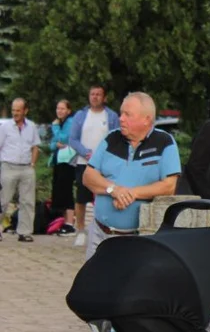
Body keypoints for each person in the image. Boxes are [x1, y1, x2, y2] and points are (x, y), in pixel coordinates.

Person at [81, 93, 181, 258]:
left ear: (146, 120)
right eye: (121, 113)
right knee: (93, 283)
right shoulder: (111, 138)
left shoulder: (164, 142)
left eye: (128, 114)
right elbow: (88, 176)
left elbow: (169, 186)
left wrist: (132, 194)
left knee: (127, 283)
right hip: (99, 234)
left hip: (137, 238)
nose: (121, 118)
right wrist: (114, 190)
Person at [69, 85, 120, 248]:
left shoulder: (111, 116)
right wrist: (86, 153)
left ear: (104, 97)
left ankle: (103, 230)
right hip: (84, 163)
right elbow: (73, 139)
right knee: (81, 198)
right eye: (92, 94)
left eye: (98, 94)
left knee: (104, 196)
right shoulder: (80, 115)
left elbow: (116, 138)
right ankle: (81, 231)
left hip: (104, 165)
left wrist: (102, 156)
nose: (95, 97)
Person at [0, 98, 41, 243]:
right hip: (8, 166)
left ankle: (24, 232)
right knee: (3, 200)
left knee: (27, 201)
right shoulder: (5, 127)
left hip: (26, 168)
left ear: (25, 111)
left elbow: (36, 146)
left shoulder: (32, 126)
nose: (15, 113)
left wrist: (32, 164)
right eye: (13, 110)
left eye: (18, 110)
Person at [50, 100, 78, 232]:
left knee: (66, 191)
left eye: (62, 109)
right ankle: (63, 221)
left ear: (69, 110)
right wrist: (56, 143)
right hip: (58, 160)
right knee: (59, 191)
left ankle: (70, 222)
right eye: (57, 108)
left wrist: (55, 129)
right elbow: (53, 144)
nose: (59, 111)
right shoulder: (60, 124)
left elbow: (65, 138)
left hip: (68, 161)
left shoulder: (70, 122)